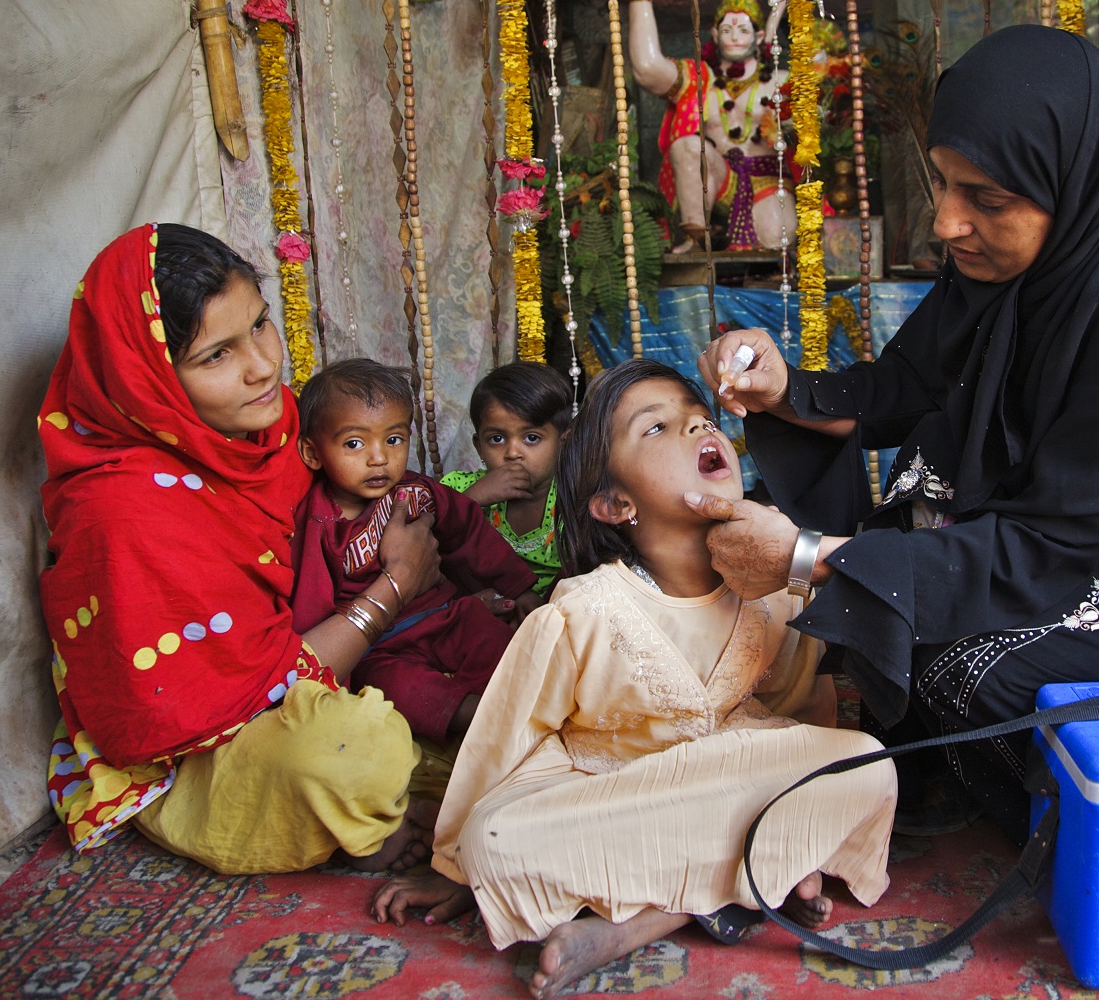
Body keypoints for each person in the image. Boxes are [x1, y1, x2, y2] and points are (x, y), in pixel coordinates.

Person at [689, 25, 1099, 838]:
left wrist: (806, 558)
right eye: (941, 182)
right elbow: (907, 385)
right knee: (920, 523)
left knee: (959, 668)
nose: (947, 221)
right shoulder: (1016, 262)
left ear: (1070, 181)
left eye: (987, 198)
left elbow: (1041, 547)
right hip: (1094, 538)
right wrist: (782, 385)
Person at [368, 359, 896, 1000]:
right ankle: (753, 880)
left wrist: (809, 792)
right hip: (610, 795)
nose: (697, 430)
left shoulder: (771, 591)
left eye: (702, 419)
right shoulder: (583, 609)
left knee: (865, 763)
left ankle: (640, 920)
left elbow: (797, 709)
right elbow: (502, 742)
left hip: (727, 780)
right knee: (495, 840)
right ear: (615, 503)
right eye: (658, 428)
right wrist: (454, 867)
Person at [39, 224, 442, 874]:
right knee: (364, 753)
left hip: (313, 660)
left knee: (483, 704)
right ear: (147, 378)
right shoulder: (122, 515)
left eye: (259, 325)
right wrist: (394, 586)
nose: (261, 364)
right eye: (216, 355)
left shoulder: (273, 426)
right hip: (200, 749)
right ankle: (348, 819)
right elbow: (250, 689)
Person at [292, 359, 541, 742]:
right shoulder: (320, 524)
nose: (379, 458)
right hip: (380, 645)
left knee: (502, 648)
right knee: (400, 693)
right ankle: (476, 718)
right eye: (354, 443)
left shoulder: (416, 491)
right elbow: (311, 603)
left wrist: (517, 588)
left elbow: (467, 532)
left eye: (393, 439)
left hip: (445, 614)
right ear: (312, 453)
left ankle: (530, 705)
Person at [627, 0, 799, 250]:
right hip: (721, 179)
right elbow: (647, 69)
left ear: (759, 35)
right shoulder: (699, 78)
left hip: (769, 181)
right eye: (727, 30)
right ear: (716, 34)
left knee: (778, 239)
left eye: (743, 30)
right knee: (688, 145)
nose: (734, 38)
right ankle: (696, 235)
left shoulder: (781, 82)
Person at [440, 362, 574, 598]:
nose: (513, 453)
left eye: (531, 438)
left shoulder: (574, 495)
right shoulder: (458, 489)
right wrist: (471, 500)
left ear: (564, 442)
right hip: (482, 606)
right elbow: (426, 540)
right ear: (478, 447)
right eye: (497, 439)